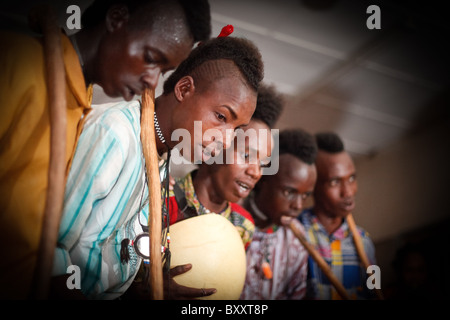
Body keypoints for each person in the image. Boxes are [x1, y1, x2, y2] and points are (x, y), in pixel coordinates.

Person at [0, 0, 211, 299]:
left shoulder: (79, 101)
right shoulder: (16, 61)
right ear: (116, 18)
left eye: (163, 70)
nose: (153, 80)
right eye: (151, 58)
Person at [50, 36, 264, 300]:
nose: (226, 139)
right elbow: (50, 250)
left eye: (236, 129)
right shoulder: (117, 135)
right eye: (221, 117)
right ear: (184, 89)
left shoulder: (162, 161)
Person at [167, 84, 283, 250]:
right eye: (246, 156)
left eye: (263, 164)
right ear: (216, 147)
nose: (255, 172)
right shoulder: (164, 198)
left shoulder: (243, 227)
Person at [240, 129, 318, 300]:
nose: (298, 205)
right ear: (263, 179)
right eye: (289, 192)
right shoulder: (229, 221)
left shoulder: (296, 238)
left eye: (305, 195)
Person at [298, 132, 376, 300]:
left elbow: (375, 291)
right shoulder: (293, 234)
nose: (348, 192)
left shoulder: (364, 242)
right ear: (312, 185)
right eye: (334, 182)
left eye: (352, 178)